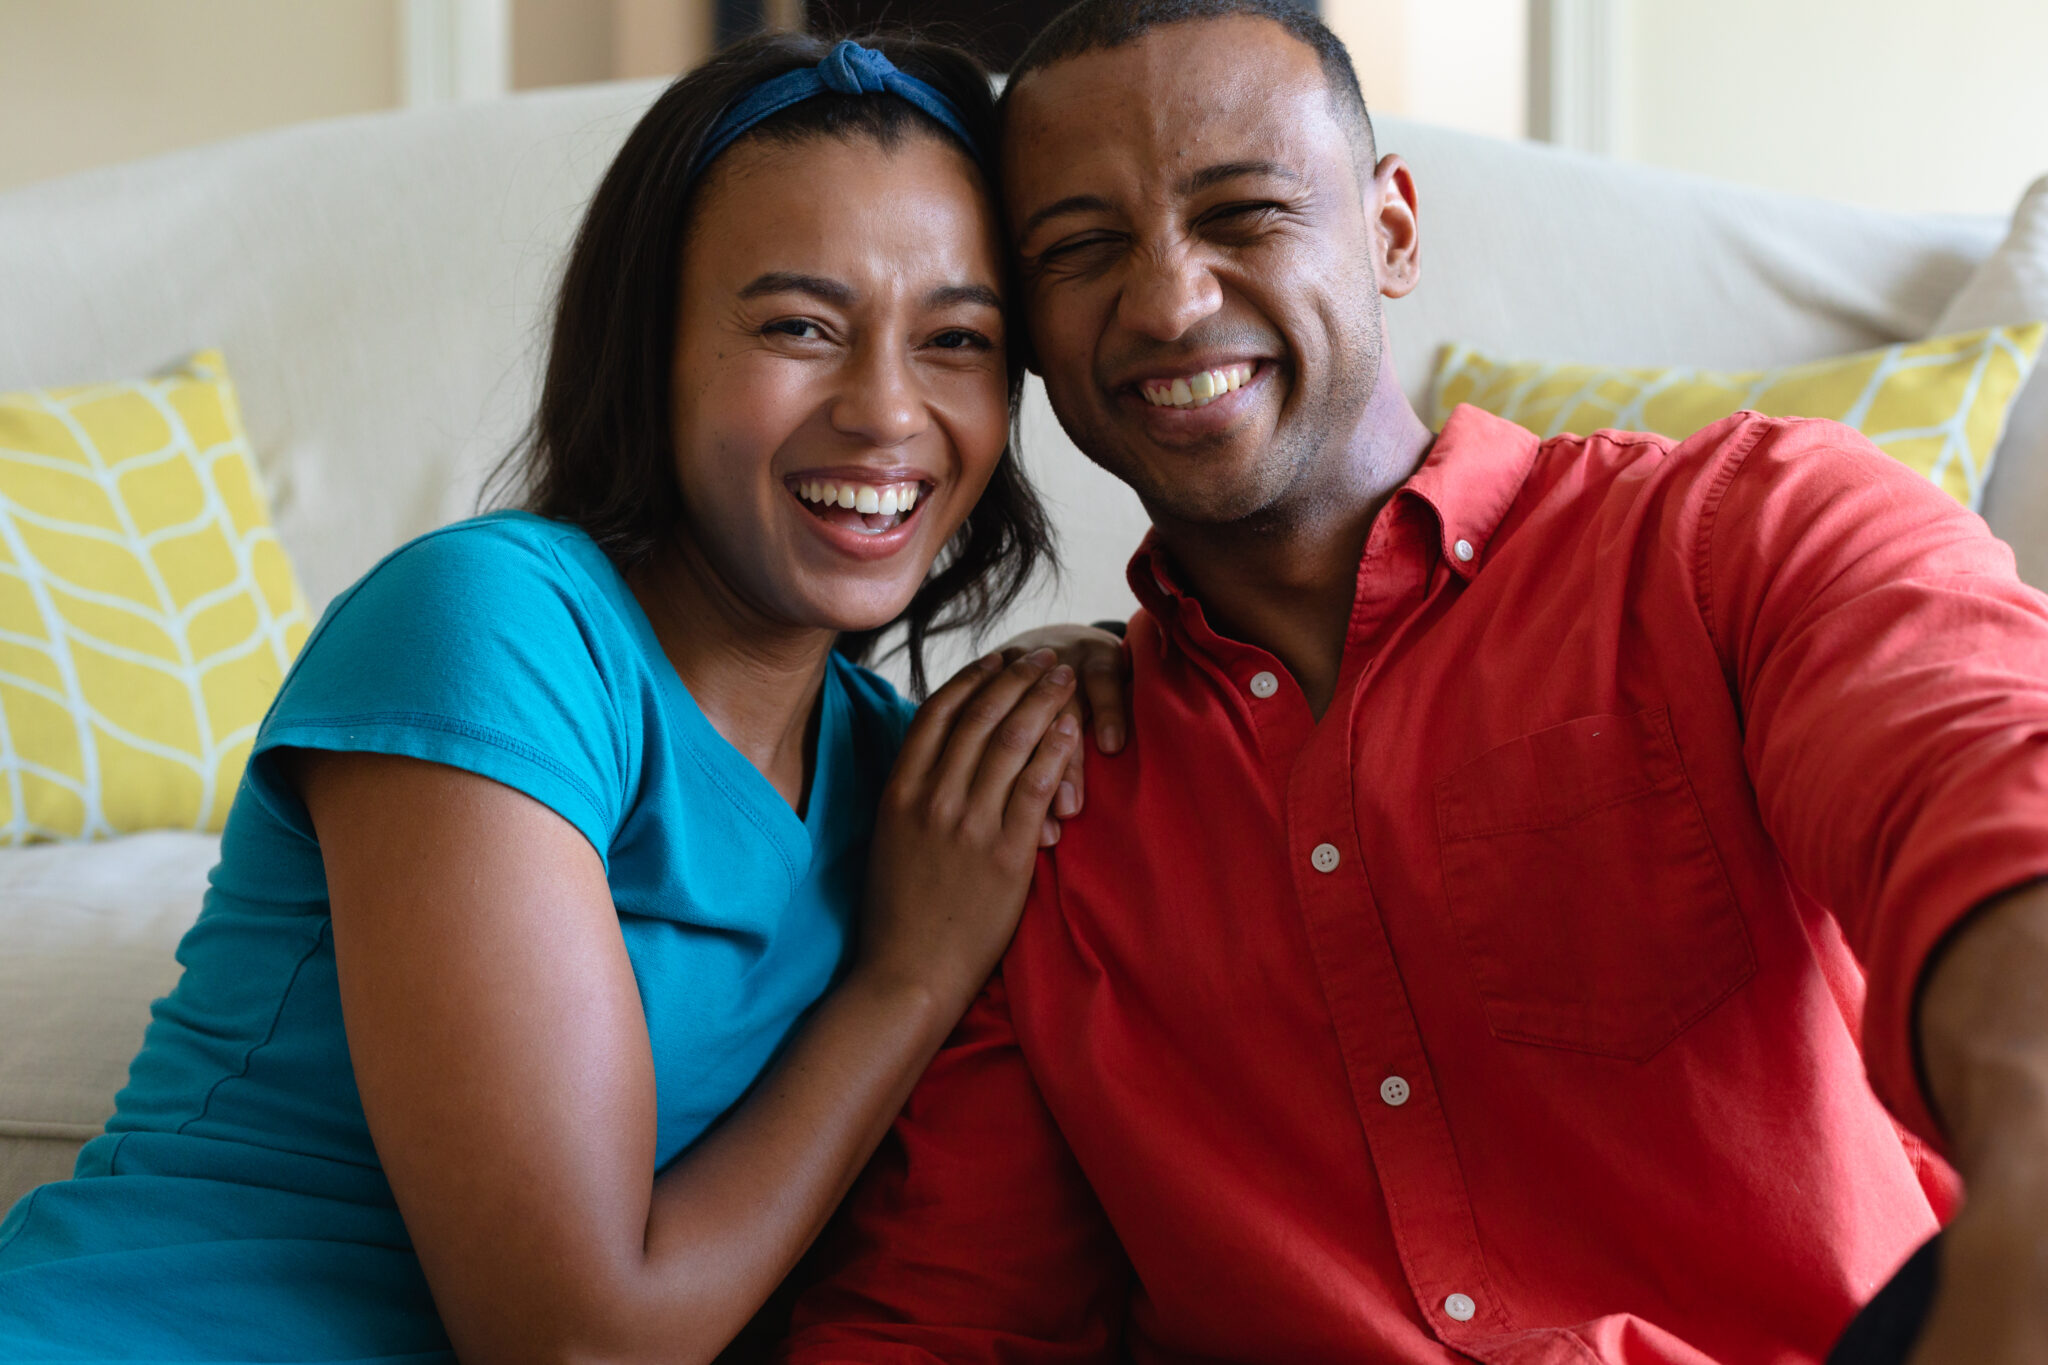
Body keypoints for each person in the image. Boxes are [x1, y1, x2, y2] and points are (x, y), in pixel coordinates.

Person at [778, 3, 2048, 1363]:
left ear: (1389, 230)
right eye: (1083, 249)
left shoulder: (1743, 534)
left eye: (1245, 212)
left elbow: (1984, 791)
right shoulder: (1029, 803)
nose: (1167, 301)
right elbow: (948, 1317)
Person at [0, 32, 1129, 1365]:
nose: (888, 409)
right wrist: (906, 978)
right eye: (800, 327)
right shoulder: (492, 625)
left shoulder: (905, 782)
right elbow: (574, 1345)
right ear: (650, 348)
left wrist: (1127, 667)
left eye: (957, 340)